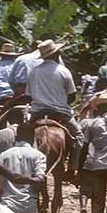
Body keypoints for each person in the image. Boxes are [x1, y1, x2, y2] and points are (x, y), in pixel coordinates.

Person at [26, 39, 83, 172]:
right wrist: (61, 103)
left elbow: (28, 96)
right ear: (57, 54)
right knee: (79, 136)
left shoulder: (33, 71)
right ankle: (72, 168)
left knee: (21, 136)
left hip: (37, 113)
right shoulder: (63, 71)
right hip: (61, 112)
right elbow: (72, 96)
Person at [0, 120, 47, 213]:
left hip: (7, 206)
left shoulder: (3, 156)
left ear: (17, 137)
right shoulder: (39, 156)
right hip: (28, 206)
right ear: (33, 138)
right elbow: (40, 180)